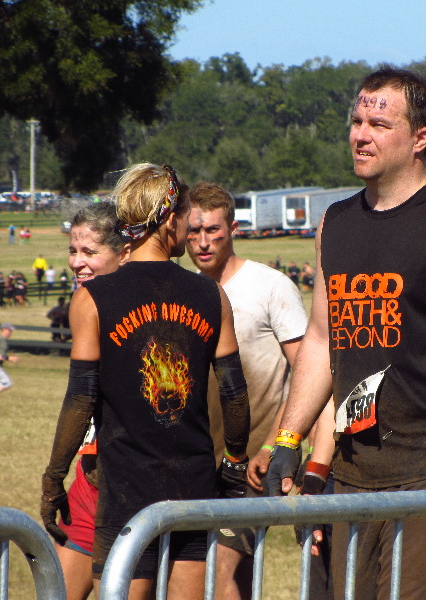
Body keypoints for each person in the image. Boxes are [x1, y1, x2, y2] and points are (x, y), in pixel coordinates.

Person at [266, 67, 426, 600]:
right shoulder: (334, 222)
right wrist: (288, 438)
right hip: (355, 473)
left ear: (420, 137)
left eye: (379, 124)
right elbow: (319, 340)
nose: (361, 134)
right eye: (356, 121)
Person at [40, 163, 250, 600]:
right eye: (186, 218)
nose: (190, 227)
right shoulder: (211, 295)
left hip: (123, 491)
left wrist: (52, 479)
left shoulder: (93, 299)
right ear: (167, 220)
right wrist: (233, 464)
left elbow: (80, 399)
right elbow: (233, 391)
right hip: (193, 489)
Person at [185, 181, 308, 599]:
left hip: (256, 461)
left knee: (220, 576)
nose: (203, 242)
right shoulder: (185, 292)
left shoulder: (270, 286)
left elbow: (307, 373)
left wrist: (276, 445)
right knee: (217, 577)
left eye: (213, 231)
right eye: (193, 231)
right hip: (201, 462)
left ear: (233, 228)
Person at [49, 201, 131, 600]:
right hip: (88, 478)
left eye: (90, 252)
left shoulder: (143, 309)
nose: (78, 262)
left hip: (134, 484)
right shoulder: (85, 304)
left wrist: (51, 477)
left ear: (123, 253)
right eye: (73, 251)